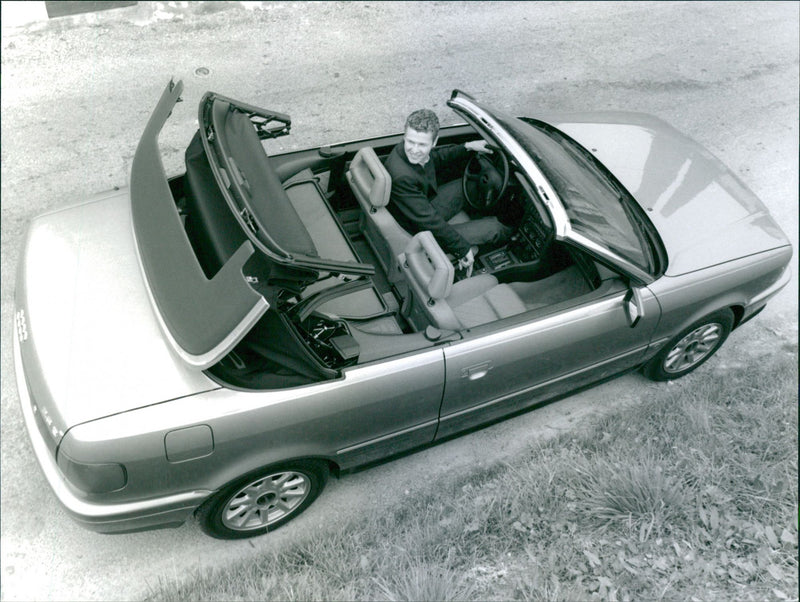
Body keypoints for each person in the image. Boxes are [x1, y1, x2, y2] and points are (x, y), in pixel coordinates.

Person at [384, 109, 512, 277]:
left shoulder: (408, 151)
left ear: (435, 141)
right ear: (405, 136)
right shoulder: (402, 177)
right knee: (494, 228)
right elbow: (429, 222)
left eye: (422, 144)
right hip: (417, 230)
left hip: (419, 210)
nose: (414, 150)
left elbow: (435, 158)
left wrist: (467, 147)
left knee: (467, 186)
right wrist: (462, 249)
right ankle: (513, 238)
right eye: (411, 142)